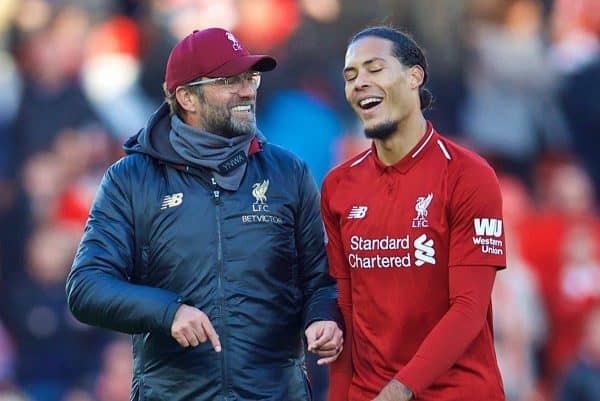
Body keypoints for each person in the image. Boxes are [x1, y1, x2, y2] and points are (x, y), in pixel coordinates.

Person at [66, 27, 343, 401]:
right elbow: (86, 287)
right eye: (230, 80)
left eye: (251, 78)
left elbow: (322, 279)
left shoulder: (288, 172)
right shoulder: (132, 178)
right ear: (186, 97)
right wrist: (169, 312)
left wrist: (323, 317)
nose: (247, 90)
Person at [321, 26, 507, 401]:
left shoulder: (468, 176)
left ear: (414, 76)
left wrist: (399, 390)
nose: (360, 83)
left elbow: (469, 308)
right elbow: (346, 309)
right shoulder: (338, 186)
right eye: (351, 75)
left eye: (375, 68)